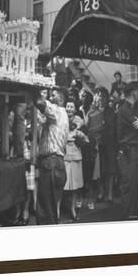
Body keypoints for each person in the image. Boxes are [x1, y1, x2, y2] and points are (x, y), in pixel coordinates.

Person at [32, 87, 69, 225]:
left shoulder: (57, 111)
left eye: (53, 95)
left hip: (51, 163)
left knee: (46, 209)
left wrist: (31, 87)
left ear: (61, 99)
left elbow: (39, 102)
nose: (49, 97)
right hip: (57, 163)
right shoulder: (61, 116)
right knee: (50, 207)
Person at [116, 82, 138, 219]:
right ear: (133, 92)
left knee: (135, 185)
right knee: (129, 186)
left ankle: (133, 216)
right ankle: (126, 217)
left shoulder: (135, 108)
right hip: (129, 152)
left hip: (135, 151)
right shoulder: (125, 109)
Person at [63, 100, 87, 221]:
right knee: (63, 183)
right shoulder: (61, 119)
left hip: (76, 155)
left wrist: (79, 137)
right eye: (67, 106)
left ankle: (72, 208)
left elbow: (85, 139)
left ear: (75, 109)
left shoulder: (79, 121)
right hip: (64, 155)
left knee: (75, 185)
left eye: (71, 107)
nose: (69, 109)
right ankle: (60, 208)